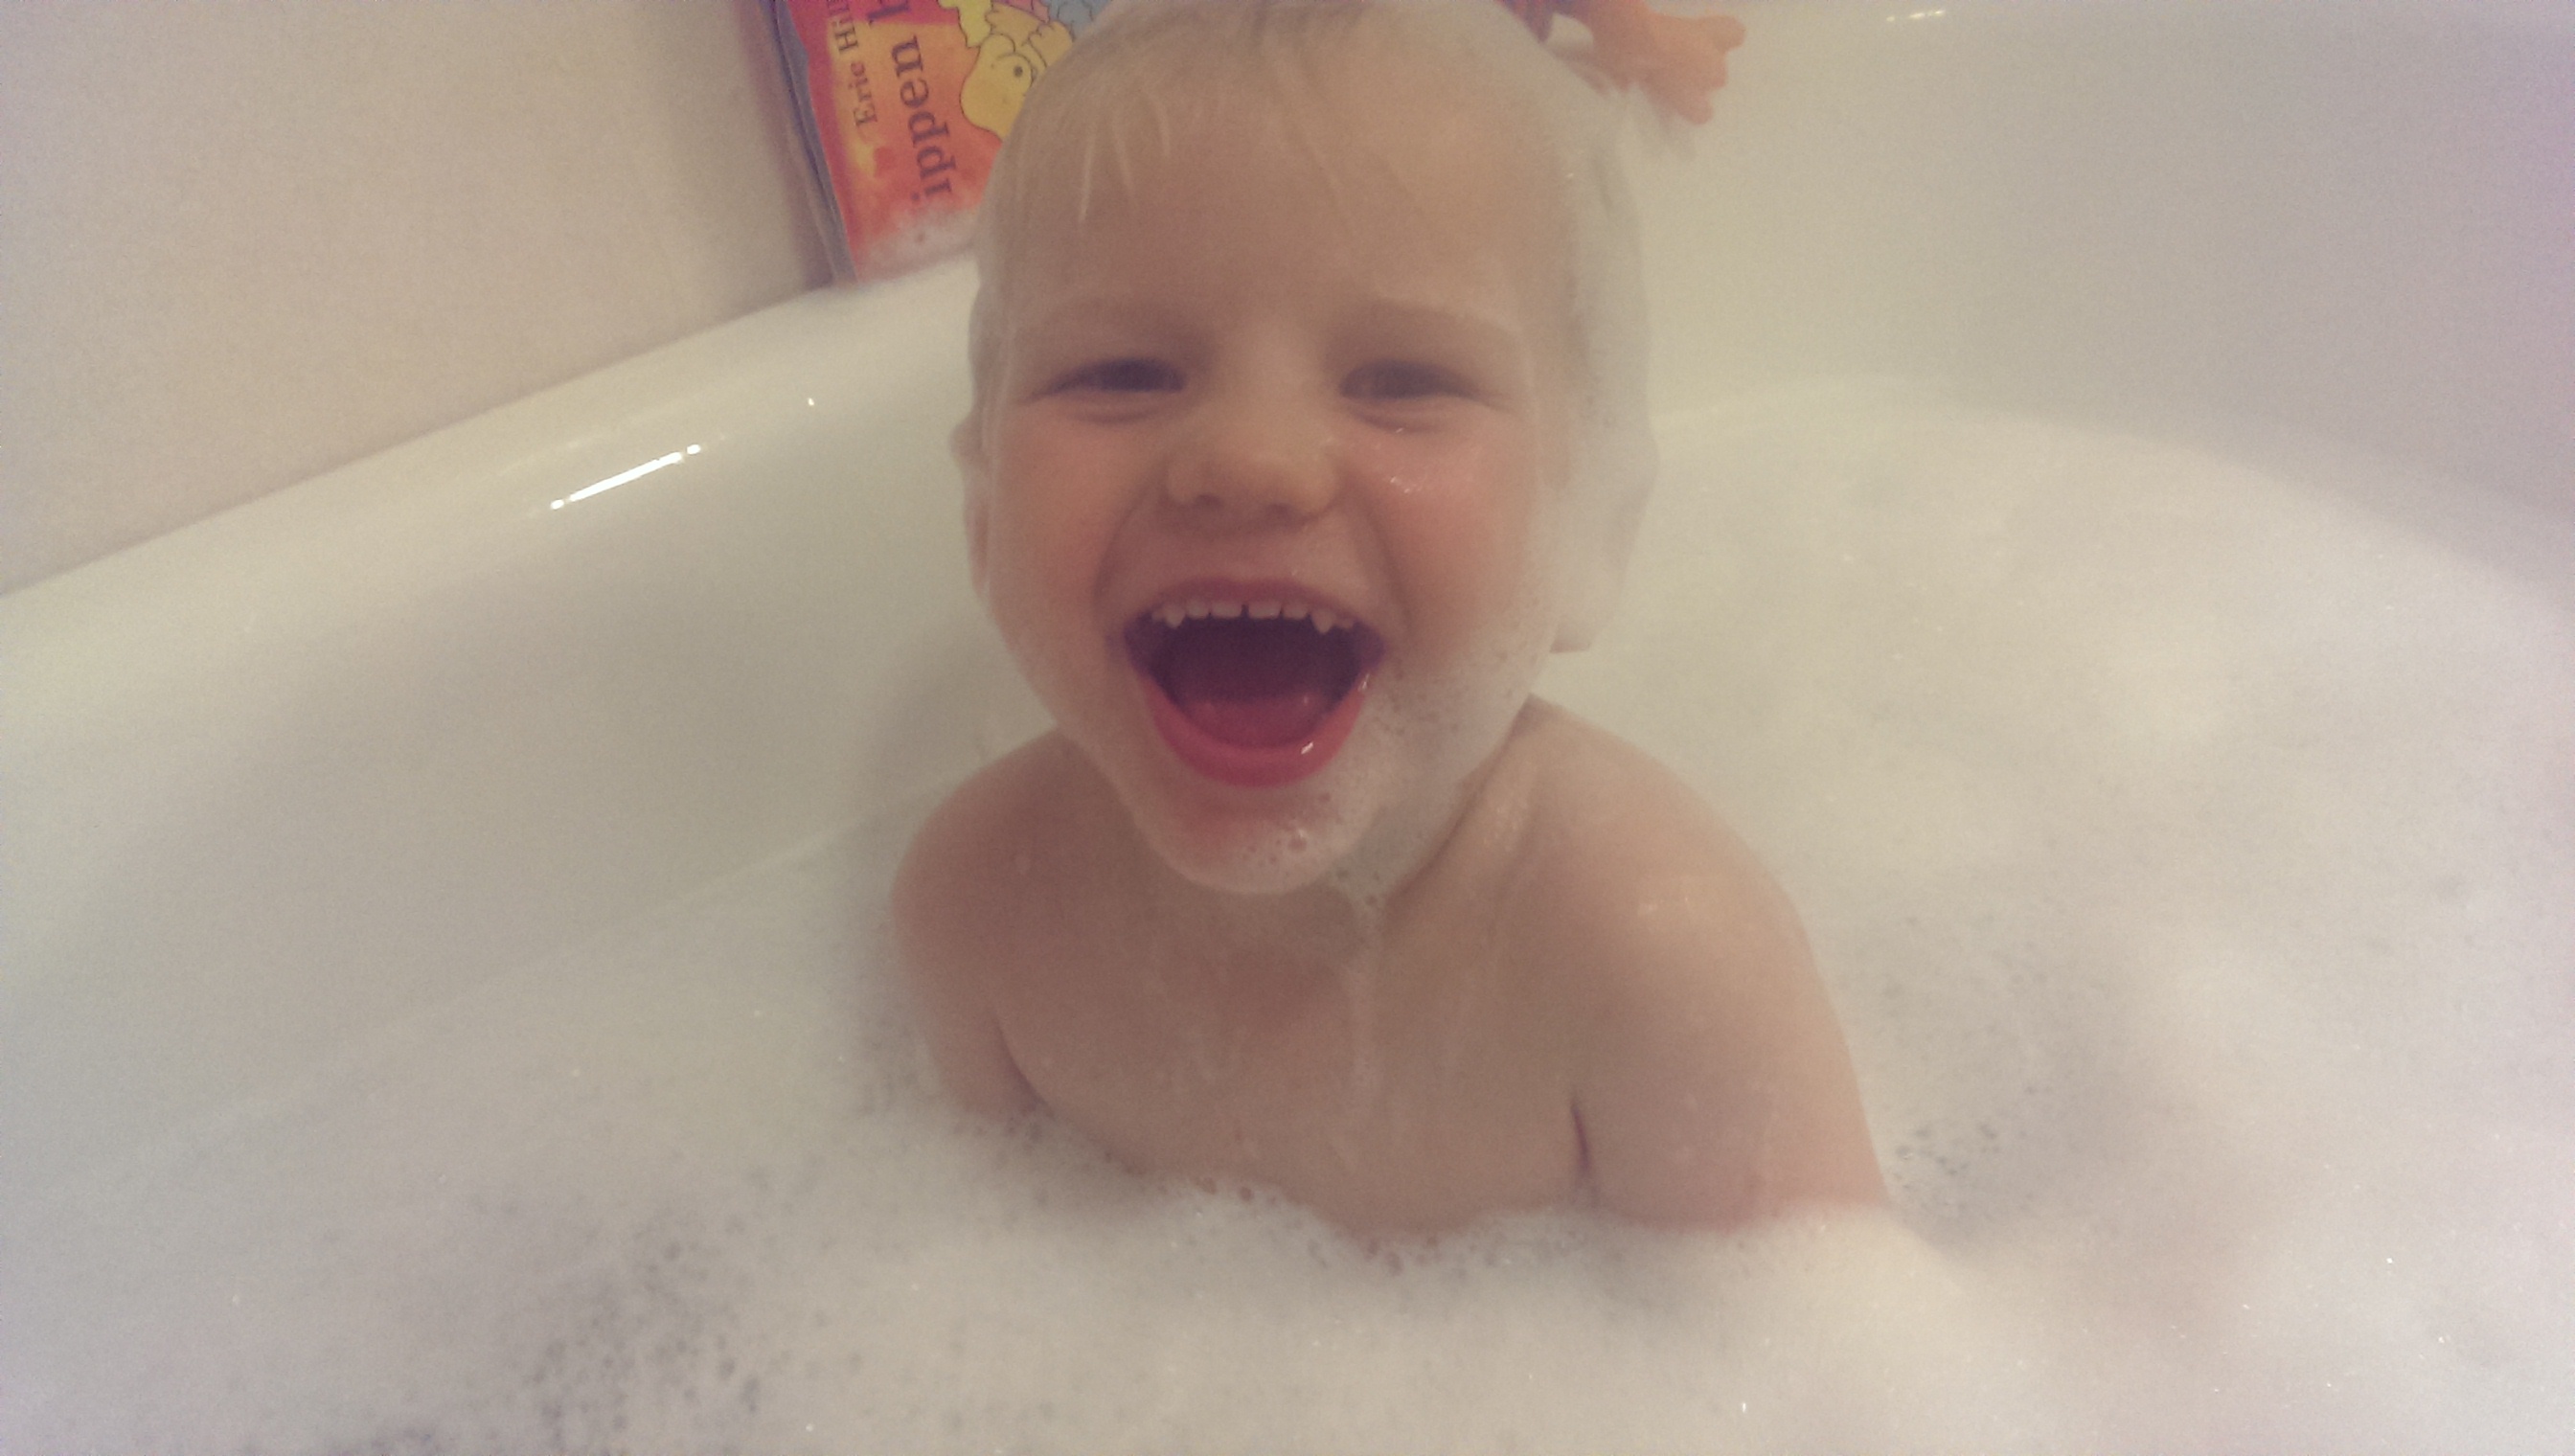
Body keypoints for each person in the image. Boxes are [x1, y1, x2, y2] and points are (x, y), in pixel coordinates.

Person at [894, 0, 1882, 1234]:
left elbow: (1819, 1333)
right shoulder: (976, 907)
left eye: (1402, 380)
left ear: (1586, 521)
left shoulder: (1655, 959)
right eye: (1121, 372)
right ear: (983, 508)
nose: (1249, 457)